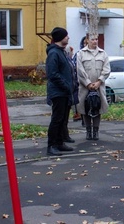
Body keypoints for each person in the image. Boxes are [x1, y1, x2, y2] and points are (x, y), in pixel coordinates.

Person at [45, 27, 75, 156]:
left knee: (62, 119)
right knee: (57, 119)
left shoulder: (61, 52)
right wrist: (66, 86)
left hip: (64, 92)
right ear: (60, 38)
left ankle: (60, 142)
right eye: (66, 36)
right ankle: (51, 145)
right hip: (58, 92)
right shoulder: (54, 53)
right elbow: (53, 74)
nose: (68, 38)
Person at [76, 34, 111, 140]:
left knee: (97, 107)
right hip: (85, 87)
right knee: (85, 108)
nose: (95, 41)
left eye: (96, 39)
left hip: (99, 87)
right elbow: (79, 70)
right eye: (92, 39)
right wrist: (88, 83)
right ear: (87, 40)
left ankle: (96, 131)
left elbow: (107, 69)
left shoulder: (103, 54)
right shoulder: (81, 54)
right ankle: (88, 131)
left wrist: (99, 82)